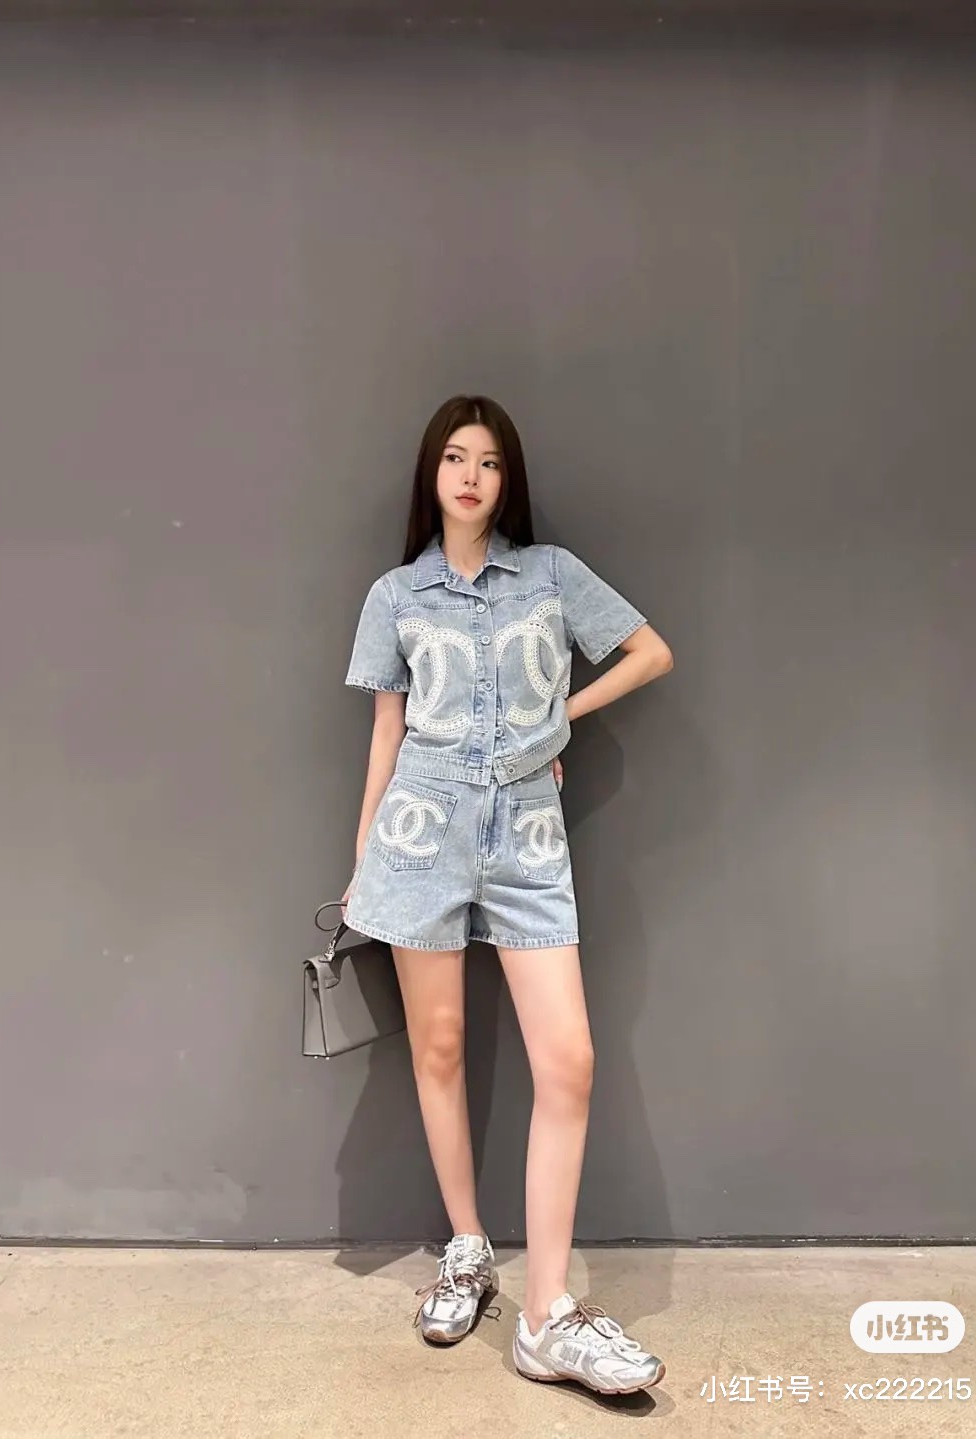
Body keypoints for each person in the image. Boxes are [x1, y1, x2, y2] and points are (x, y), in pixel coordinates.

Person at [340, 394, 674, 1394]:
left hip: (527, 835)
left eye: (488, 460)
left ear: (507, 478)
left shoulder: (552, 575)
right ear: (432, 472)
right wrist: (363, 859)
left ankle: (547, 1316)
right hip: (419, 830)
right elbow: (387, 731)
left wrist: (557, 719)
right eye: (455, 456)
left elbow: (650, 651)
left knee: (569, 1060)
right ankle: (469, 1248)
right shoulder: (395, 594)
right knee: (438, 1047)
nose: (471, 475)